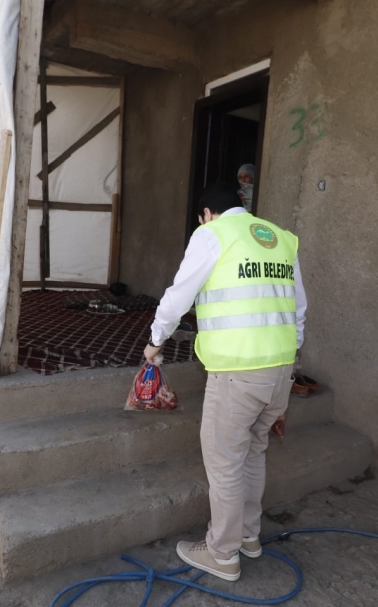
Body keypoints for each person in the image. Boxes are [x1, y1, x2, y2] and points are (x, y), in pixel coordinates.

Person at [144, 184, 307, 582]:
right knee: (254, 453)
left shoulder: (211, 234)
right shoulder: (280, 238)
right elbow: (298, 307)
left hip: (237, 373)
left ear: (206, 213)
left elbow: (178, 296)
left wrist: (156, 340)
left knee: (225, 464)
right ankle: (248, 537)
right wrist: (289, 354)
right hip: (279, 369)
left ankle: (222, 553)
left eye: (201, 219)